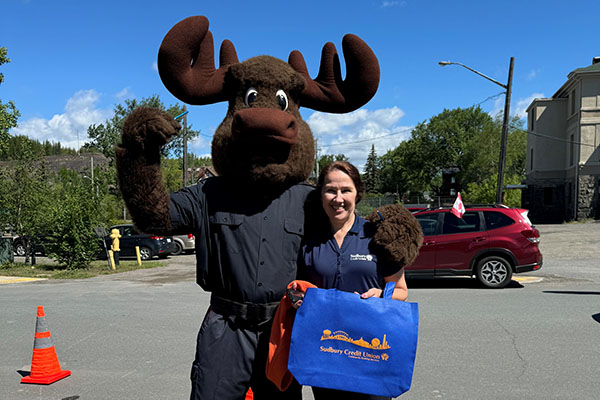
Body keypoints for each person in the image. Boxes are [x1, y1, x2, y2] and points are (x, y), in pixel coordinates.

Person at [298, 161, 408, 400]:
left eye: (345, 190)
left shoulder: (378, 236)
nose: (338, 198)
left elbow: (400, 290)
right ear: (321, 194)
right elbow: (300, 289)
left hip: (370, 355)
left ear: (357, 194)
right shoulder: (308, 241)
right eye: (330, 190)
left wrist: (381, 295)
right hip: (326, 354)